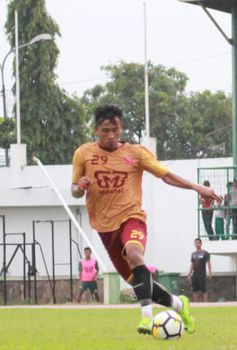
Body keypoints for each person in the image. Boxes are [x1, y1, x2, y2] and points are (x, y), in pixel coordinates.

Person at [71, 105, 218, 334]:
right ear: (96, 129)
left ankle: (146, 317)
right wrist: (79, 187)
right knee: (137, 282)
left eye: (116, 130)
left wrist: (196, 187)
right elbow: (75, 190)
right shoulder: (84, 153)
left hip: (132, 217)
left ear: (121, 128)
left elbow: (165, 175)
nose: (111, 135)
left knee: (134, 253)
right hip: (104, 225)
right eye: (106, 130)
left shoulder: (136, 153)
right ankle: (179, 304)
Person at [187, 238, 212, 302]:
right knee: (194, 290)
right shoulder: (193, 254)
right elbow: (192, 264)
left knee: (204, 290)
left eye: (198, 242)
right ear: (194, 244)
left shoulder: (205, 253)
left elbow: (208, 263)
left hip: (202, 274)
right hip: (195, 274)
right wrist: (189, 274)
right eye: (196, 243)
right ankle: (196, 305)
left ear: (201, 243)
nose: (197, 244)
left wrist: (209, 272)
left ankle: (206, 304)